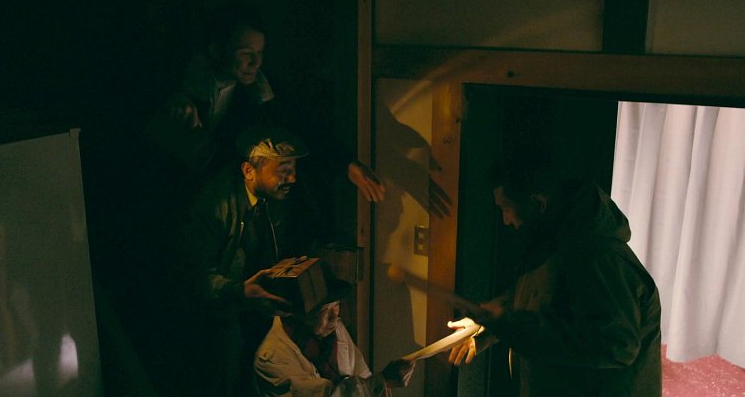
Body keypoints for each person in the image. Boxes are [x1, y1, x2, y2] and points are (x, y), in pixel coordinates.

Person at [447, 150, 662, 397]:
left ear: (538, 203)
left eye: (506, 207)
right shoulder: (553, 242)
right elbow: (546, 299)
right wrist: (487, 325)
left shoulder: (595, 255)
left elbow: (615, 344)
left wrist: (509, 323)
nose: (505, 220)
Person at [145, 1, 386, 208]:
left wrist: (346, 163)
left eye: (260, 53)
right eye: (246, 53)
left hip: (224, 204)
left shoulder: (261, 90)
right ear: (217, 50)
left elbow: (300, 126)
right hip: (168, 200)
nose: (255, 62)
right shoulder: (181, 79)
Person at [173, 124, 326, 397]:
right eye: (284, 170)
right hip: (218, 318)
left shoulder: (279, 199)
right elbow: (195, 275)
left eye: (294, 169)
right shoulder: (214, 206)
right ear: (248, 170)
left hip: (261, 311)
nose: (293, 178)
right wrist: (240, 291)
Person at [254, 267, 416, 397]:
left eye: (337, 305)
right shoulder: (272, 360)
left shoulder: (331, 329)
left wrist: (379, 390)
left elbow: (361, 373)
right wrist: (381, 381)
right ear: (296, 315)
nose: (335, 317)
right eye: (324, 310)